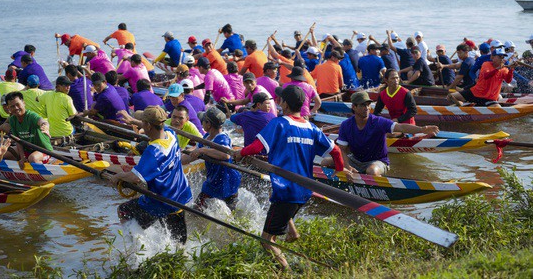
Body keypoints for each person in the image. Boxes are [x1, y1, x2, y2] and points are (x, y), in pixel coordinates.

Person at [234, 85, 346, 270]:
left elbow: (255, 147)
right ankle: (292, 234)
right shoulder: (311, 127)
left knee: (266, 240)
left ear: (284, 104)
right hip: (304, 190)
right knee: (283, 211)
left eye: (280, 100)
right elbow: (336, 150)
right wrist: (339, 169)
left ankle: (286, 271)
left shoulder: (279, 124)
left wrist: (240, 154)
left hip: (286, 191)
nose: (277, 102)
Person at [109, 106, 192, 243]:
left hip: (161, 201)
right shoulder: (171, 135)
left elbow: (135, 177)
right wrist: (132, 121)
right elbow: (151, 125)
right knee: (178, 244)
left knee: (123, 210)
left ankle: (135, 245)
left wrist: (117, 177)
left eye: (143, 123)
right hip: (180, 196)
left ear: (147, 125)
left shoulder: (153, 152)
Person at [321, 91, 438, 177]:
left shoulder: (378, 122)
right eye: (362, 105)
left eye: (368, 104)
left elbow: (400, 126)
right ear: (354, 107)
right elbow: (342, 150)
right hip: (355, 160)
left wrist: (422, 129)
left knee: (371, 171)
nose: (366, 108)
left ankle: (378, 189)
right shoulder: (346, 125)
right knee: (325, 162)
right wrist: (346, 167)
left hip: (378, 161)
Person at [182, 107, 241, 211]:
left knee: (197, 212)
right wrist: (175, 160)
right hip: (214, 181)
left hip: (227, 182)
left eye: (203, 121)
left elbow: (226, 154)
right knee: (198, 211)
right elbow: (192, 154)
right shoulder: (207, 137)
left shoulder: (222, 138)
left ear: (208, 124)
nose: (202, 123)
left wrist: (203, 150)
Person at [0, 92, 55, 168]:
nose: (16, 108)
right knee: (1, 154)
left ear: (23, 103)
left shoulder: (31, 116)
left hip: (43, 150)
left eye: (18, 104)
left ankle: (42, 172)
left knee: (33, 158)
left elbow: (42, 121)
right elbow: (18, 141)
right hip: (26, 150)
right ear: (9, 108)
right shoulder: (12, 120)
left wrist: (45, 126)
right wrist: (22, 158)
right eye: (12, 106)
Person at [448, 48, 516, 106]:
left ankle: (472, 105)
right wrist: (497, 69)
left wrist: (511, 70)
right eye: (500, 57)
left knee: (497, 107)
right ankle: (464, 106)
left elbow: (508, 80)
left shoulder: (504, 69)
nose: (502, 59)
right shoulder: (486, 64)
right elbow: (486, 76)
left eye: (503, 57)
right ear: (492, 57)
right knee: (450, 96)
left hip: (489, 97)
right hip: (476, 92)